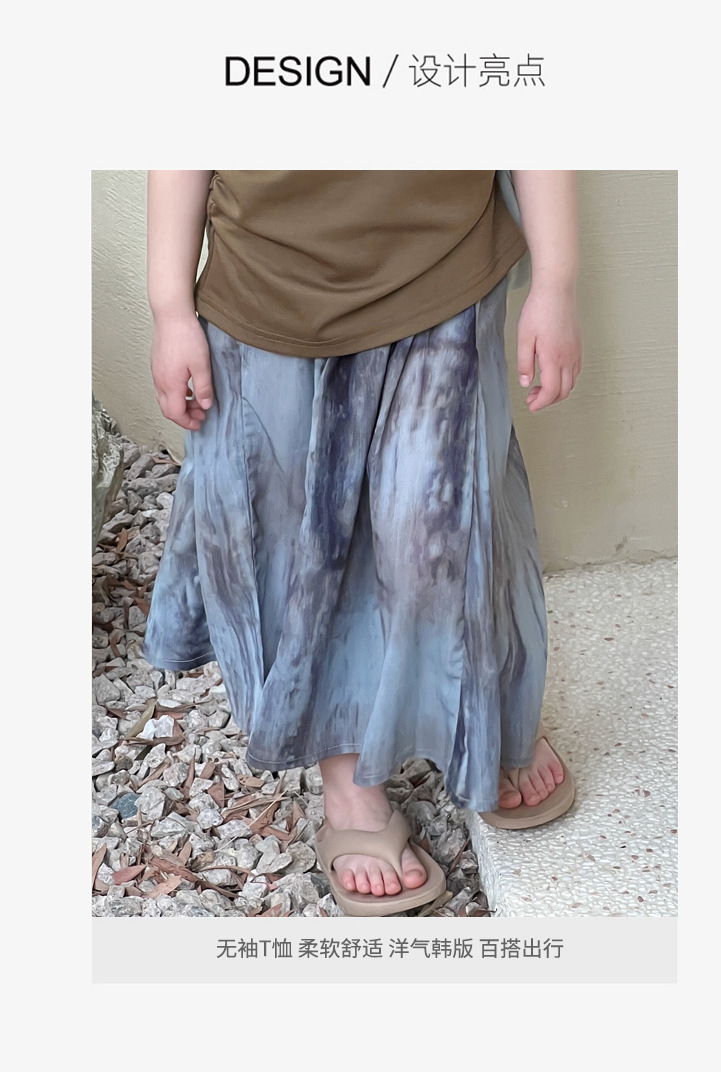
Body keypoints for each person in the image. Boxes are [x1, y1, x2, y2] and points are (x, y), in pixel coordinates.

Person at [142, 170, 582, 916]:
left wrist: (557, 281)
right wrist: (169, 309)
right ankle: (348, 782)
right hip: (267, 292)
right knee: (298, 556)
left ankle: (489, 719)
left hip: (442, 272)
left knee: (437, 531)